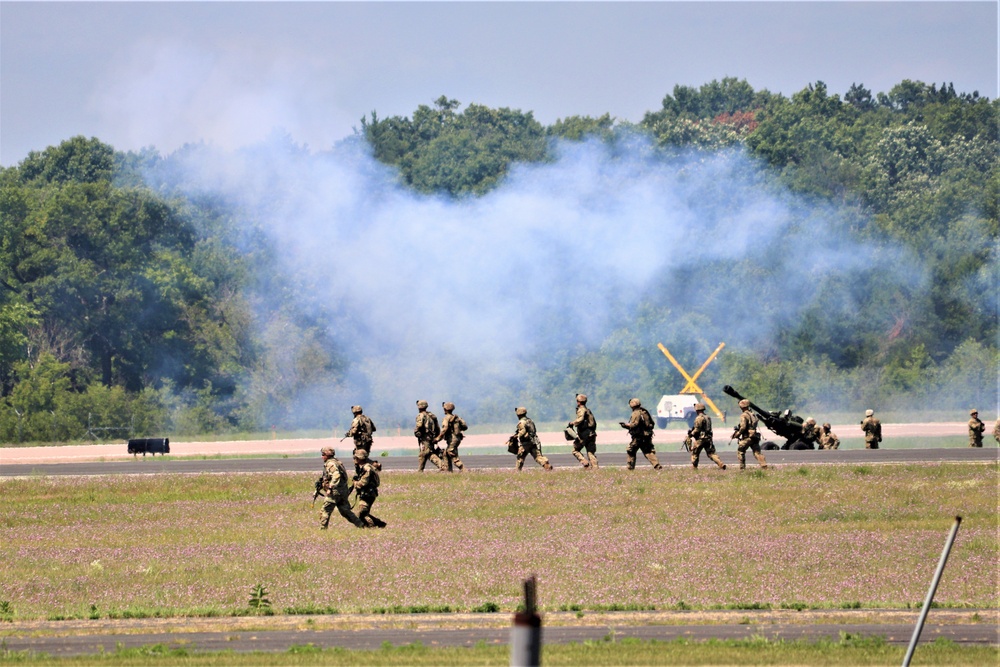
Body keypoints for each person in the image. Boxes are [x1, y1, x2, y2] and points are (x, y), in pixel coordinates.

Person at [317, 447, 364, 529]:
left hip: (335, 493)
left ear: (327, 455)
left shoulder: (330, 464)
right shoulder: (337, 462)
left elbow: (336, 475)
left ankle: (322, 530)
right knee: (345, 511)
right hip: (342, 492)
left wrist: (330, 487)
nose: (322, 457)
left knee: (325, 511)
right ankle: (361, 525)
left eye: (323, 455)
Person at [619, 398, 662, 470]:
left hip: (638, 437)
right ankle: (657, 466)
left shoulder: (636, 413)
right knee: (648, 452)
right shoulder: (644, 412)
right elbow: (651, 424)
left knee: (630, 450)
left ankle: (630, 468)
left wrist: (626, 425)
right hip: (646, 436)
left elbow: (634, 425)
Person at [352, 449, 386, 528]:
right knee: (363, 513)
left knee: (362, 514)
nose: (354, 459)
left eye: (356, 458)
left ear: (360, 458)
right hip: (367, 493)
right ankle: (380, 524)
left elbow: (363, 483)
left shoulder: (367, 468)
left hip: (368, 494)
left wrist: (355, 483)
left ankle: (372, 526)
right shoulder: (364, 467)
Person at [512, 407, 553, 471]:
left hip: (525, 443)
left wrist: (517, 436)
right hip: (534, 442)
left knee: (520, 458)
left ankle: (517, 471)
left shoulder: (521, 422)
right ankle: (547, 466)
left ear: (518, 414)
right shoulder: (530, 420)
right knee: (538, 457)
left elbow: (523, 431)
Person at [689, 403, 727, 470]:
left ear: (697, 410)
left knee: (695, 453)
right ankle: (720, 464)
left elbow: (697, 429)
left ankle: (694, 467)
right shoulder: (708, 417)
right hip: (708, 438)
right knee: (711, 453)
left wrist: (691, 434)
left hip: (700, 439)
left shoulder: (699, 418)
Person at [732, 399, 766, 470]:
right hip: (754, 436)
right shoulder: (752, 414)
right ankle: (764, 465)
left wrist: (737, 434)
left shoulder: (744, 415)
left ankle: (742, 468)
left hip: (747, 437)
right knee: (757, 453)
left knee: (740, 451)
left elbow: (743, 427)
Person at [567, 393, 599, 469]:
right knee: (591, 453)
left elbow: (580, 419)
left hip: (584, 434)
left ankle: (585, 463)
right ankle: (595, 468)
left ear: (578, 401)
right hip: (591, 433)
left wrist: (573, 423)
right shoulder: (588, 410)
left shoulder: (581, 410)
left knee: (575, 450)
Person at [434, 401, 468, 471]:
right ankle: (448, 471)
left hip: (452, 439)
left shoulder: (447, 418)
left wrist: (437, 439)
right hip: (457, 438)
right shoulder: (456, 418)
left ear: (445, 409)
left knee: (451, 453)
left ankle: (464, 470)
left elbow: (444, 429)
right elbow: (465, 427)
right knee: (445, 454)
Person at [414, 399, 446, 472]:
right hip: (431, 437)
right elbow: (437, 428)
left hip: (425, 438)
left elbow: (419, 426)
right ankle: (420, 471)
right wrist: (436, 437)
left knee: (425, 454)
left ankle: (442, 466)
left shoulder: (421, 416)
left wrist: (416, 432)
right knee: (426, 454)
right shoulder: (431, 415)